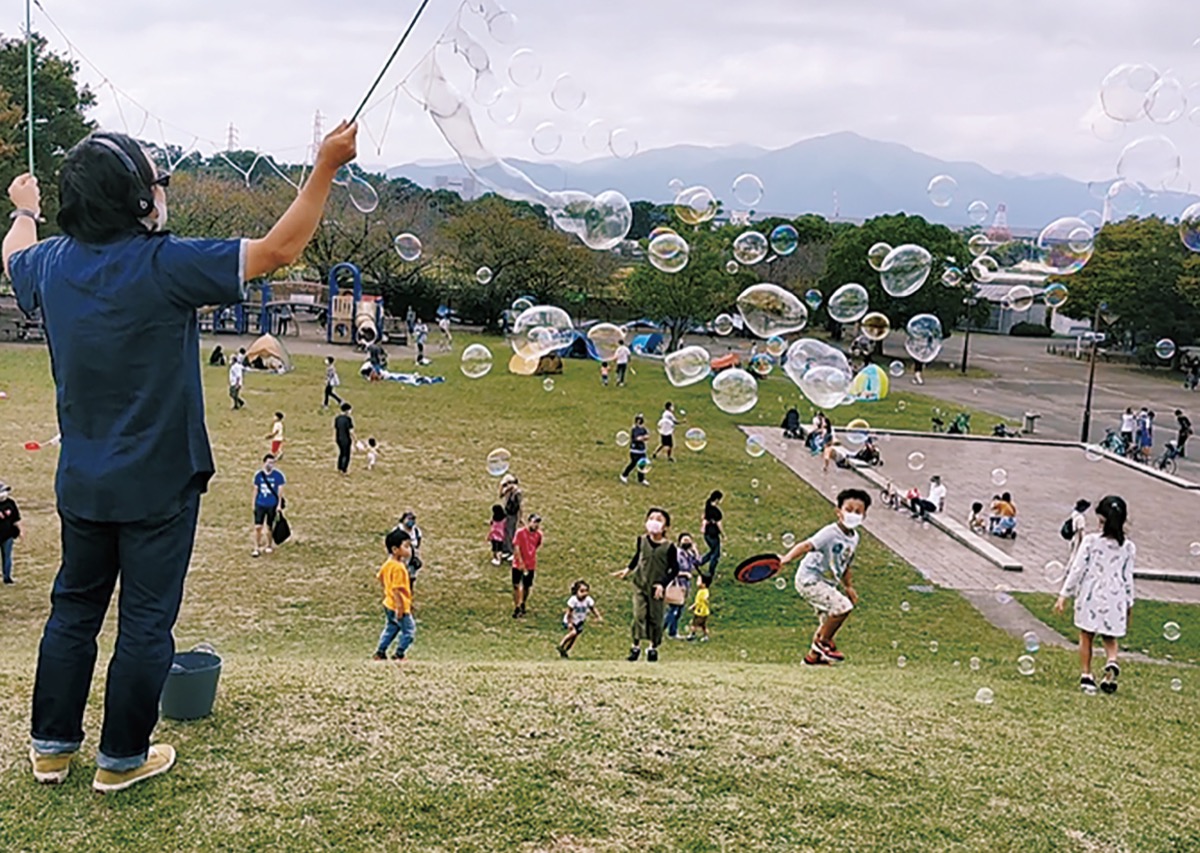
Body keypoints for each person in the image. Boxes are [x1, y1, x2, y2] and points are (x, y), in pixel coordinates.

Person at [5, 120, 357, 791]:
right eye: (155, 181)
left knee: (73, 610)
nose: (162, 190)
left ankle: (51, 749)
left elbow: (12, 250)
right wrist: (325, 165)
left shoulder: (50, 261)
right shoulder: (166, 264)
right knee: (144, 620)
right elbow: (280, 249)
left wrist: (24, 209)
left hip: (81, 479)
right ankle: (122, 758)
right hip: (160, 484)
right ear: (136, 201)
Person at [779, 488, 872, 665]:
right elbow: (806, 545)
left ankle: (812, 658)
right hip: (810, 580)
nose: (853, 514)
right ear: (838, 512)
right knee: (843, 607)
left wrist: (848, 587)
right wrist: (786, 559)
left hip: (827, 583)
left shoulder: (854, 537)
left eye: (858, 512)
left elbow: (846, 564)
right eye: (849, 510)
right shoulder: (830, 532)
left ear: (864, 516)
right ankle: (823, 643)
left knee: (826, 623)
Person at [1055, 495, 1135, 695]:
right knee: (1110, 637)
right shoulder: (1128, 547)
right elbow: (1128, 578)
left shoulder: (1091, 541)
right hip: (1116, 595)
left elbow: (1077, 569)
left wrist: (1064, 594)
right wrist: (1129, 603)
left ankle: (1087, 676)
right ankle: (1111, 663)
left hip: (1091, 593)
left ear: (1101, 519)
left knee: (1086, 635)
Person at [614, 508, 680, 663]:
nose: (654, 522)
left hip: (657, 588)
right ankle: (635, 646)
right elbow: (638, 556)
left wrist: (662, 584)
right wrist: (627, 570)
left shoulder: (669, 547)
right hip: (640, 584)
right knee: (639, 615)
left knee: (655, 618)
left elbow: (674, 569)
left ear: (666, 527)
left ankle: (652, 648)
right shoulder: (642, 540)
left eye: (659, 519)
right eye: (651, 518)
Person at [373, 527, 415, 661]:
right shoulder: (398, 567)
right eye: (406, 546)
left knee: (391, 628)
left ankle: (380, 652)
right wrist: (400, 607)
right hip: (398, 605)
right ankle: (399, 653)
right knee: (409, 631)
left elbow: (380, 577)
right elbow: (397, 589)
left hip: (388, 603)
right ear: (395, 549)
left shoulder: (388, 564)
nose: (409, 550)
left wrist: (388, 592)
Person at [664, 532, 698, 639]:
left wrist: (695, 550)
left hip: (685, 586)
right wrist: (684, 574)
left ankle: (671, 632)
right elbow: (671, 569)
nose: (687, 542)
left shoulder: (688, 554)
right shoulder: (678, 554)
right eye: (684, 540)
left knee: (679, 610)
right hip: (677, 584)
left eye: (689, 540)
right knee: (674, 609)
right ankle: (664, 630)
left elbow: (698, 562)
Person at [557, 580, 604, 658]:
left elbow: (593, 609)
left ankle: (565, 651)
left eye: (586, 591)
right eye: (582, 591)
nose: (584, 593)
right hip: (570, 620)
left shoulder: (588, 600)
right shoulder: (573, 600)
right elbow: (569, 612)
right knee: (573, 633)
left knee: (573, 638)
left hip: (579, 621)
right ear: (576, 591)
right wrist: (570, 623)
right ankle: (561, 645)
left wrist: (598, 616)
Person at [251, 454, 285, 558]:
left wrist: (279, 505)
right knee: (258, 527)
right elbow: (255, 490)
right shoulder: (259, 476)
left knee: (270, 527)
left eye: (273, 463)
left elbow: (280, 492)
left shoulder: (278, 476)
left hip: (272, 505)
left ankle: (269, 544)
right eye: (269, 462)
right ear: (264, 462)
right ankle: (256, 547)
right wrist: (253, 503)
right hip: (260, 504)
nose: (271, 465)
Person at [511, 514, 543, 618]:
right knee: (516, 585)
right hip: (518, 564)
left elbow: (536, 545)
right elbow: (516, 547)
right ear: (529, 522)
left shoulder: (538, 535)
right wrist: (520, 562)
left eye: (537, 523)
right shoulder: (520, 533)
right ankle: (517, 606)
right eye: (534, 522)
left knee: (526, 586)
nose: (536, 525)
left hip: (530, 564)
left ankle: (523, 603)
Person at [696, 490, 724, 585]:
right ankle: (711, 572)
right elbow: (719, 525)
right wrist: (723, 534)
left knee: (713, 551)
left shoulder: (707, 504)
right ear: (717, 499)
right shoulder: (717, 512)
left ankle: (699, 562)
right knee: (715, 555)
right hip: (713, 535)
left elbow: (704, 516)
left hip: (707, 534)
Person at [619, 414, 651, 486]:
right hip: (634, 450)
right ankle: (624, 475)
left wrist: (643, 437)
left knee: (642, 464)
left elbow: (647, 436)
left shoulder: (643, 429)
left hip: (642, 450)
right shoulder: (634, 429)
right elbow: (637, 438)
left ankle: (641, 479)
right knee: (633, 463)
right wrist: (643, 437)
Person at [0, 481, 22, 585]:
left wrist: (21, 531)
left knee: (7, 557)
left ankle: (7, 577)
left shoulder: (11, 503)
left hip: (8, 535)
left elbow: (16, 519)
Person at [396, 510, 424, 588]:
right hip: (401, 558)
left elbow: (418, 543)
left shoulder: (416, 531)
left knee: (411, 578)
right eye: (409, 519)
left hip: (412, 558)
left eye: (413, 519)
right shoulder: (398, 531)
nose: (411, 521)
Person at [499, 473, 523, 560]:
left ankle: (513, 552)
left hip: (513, 515)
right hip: (506, 513)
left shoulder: (517, 493)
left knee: (511, 533)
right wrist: (502, 486)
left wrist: (520, 518)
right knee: (505, 532)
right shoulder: (508, 491)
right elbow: (500, 495)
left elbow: (520, 506)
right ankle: (506, 550)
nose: (508, 485)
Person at [686, 574, 711, 641]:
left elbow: (705, 598)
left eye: (698, 581)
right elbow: (698, 602)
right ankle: (706, 636)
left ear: (704, 584)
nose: (697, 582)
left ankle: (692, 635)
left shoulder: (705, 591)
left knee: (694, 624)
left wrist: (706, 599)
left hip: (701, 612)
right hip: (699, 611)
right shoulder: (700, 591)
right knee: (703, 626)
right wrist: (693, 606)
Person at [334, 402, 355, 475]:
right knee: (346, 454)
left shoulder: (337, 418)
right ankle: (344, 469)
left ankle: (339, 467)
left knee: (341, 453)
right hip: (346, 439)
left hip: (338, 438)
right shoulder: (348, 419)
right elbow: (351, 431)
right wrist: (355, 439)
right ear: (347, 410)